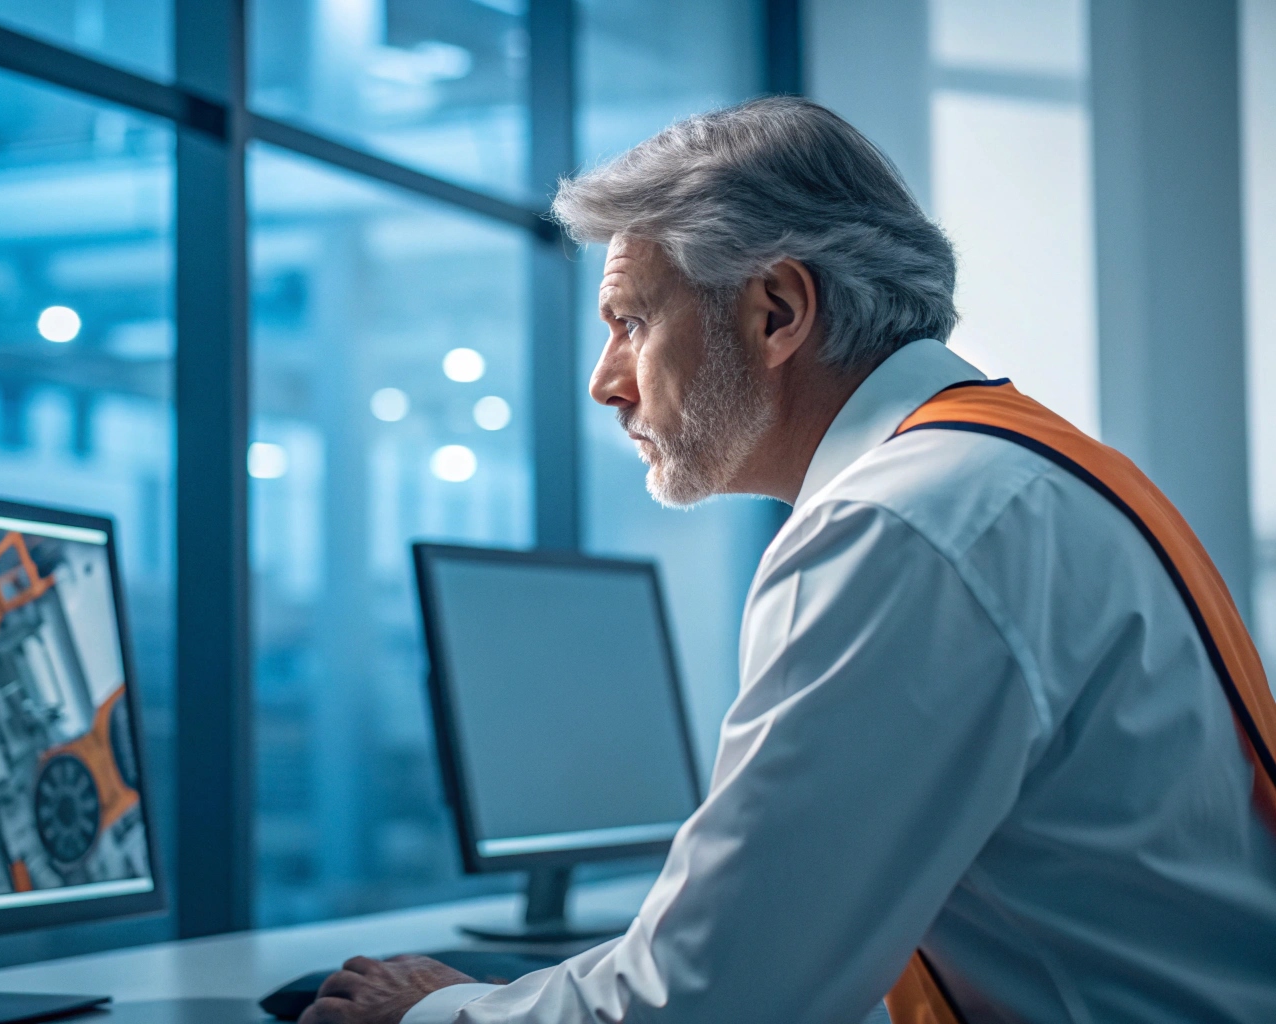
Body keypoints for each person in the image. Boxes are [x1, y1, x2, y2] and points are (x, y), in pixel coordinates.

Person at [299, 97, 1276, 1024]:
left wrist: (433, 1007)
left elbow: (714, 997)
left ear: (776, 310)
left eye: (632, 322)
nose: (606, 383)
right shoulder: (1014, 468)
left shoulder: (903, 522)